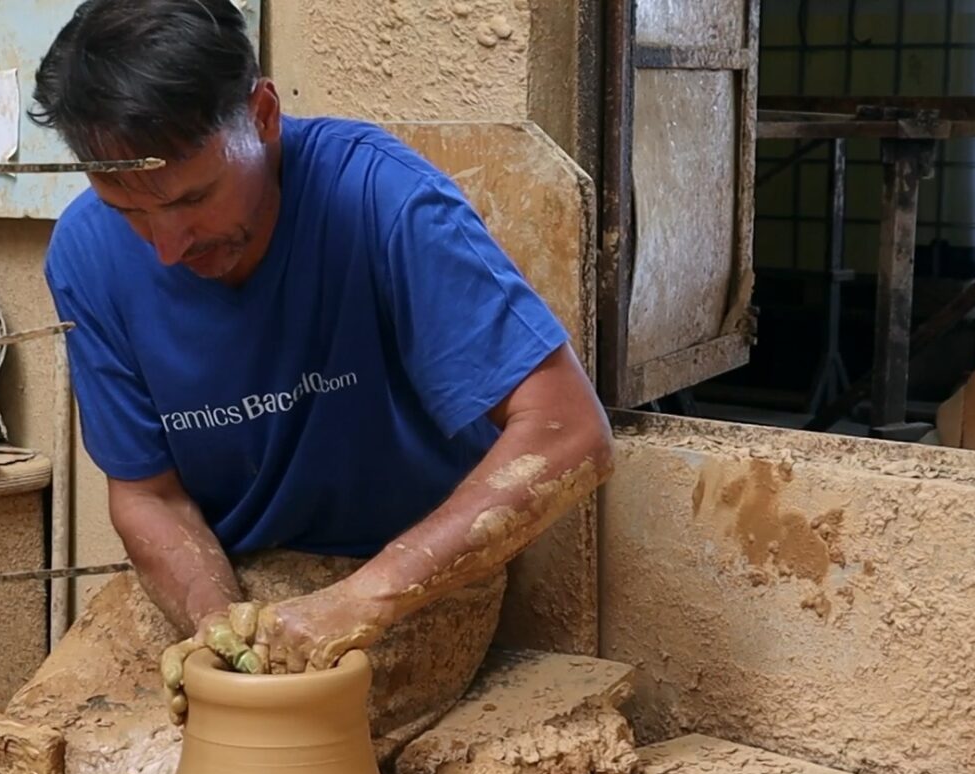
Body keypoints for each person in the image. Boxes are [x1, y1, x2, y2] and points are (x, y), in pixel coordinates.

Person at [30, 0, 613, 718]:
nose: (167, 247)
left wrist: (361, 600)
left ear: (264, 114)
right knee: (44, 744)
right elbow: (148, 494)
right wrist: (217, 625)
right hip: (223, 571)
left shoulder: (383, 200)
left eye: (194, 199)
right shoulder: (86, 252)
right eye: (130, 212)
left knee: (258, 772)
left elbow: (569, 431)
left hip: (400, 576)